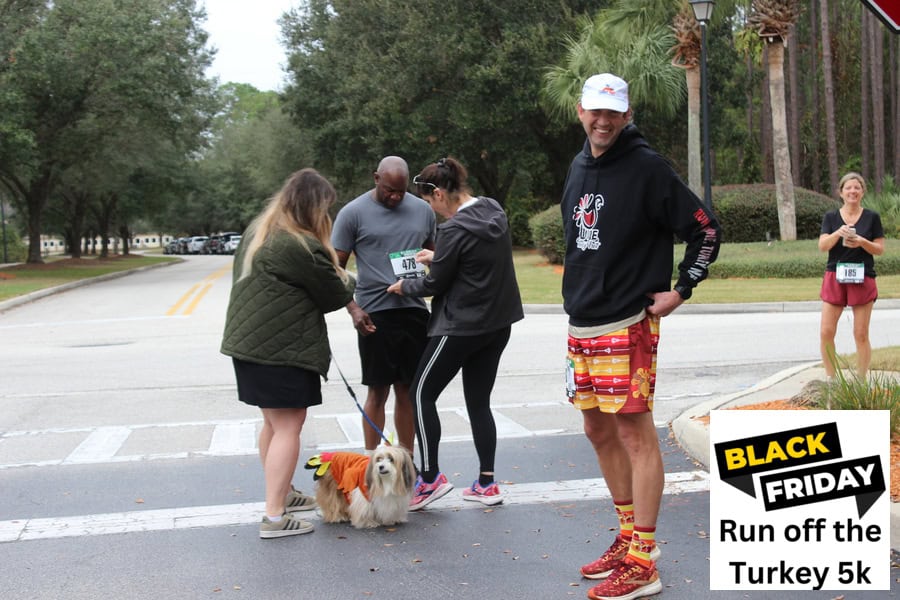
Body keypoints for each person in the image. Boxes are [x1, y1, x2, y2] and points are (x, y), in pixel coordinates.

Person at [560, 74, 721, 600]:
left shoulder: (647, 167)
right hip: (582, 322)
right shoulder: (579, 164)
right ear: (581, 111)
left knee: (633, 435)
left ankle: (644, 559)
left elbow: (705, 229)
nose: (603, 121)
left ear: (626, 116)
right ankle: (628, 536)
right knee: (597, 432)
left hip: (627, 323)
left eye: (613, 113)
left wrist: (682, 289)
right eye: (595, 111)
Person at [221, 168, 355, 539]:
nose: (327, 216)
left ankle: (283, 495)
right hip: (281, 349)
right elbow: (333, 291)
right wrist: (357, 281)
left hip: (249, 345)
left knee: (273, 423)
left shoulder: (259, 231)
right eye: (325, 208)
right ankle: (275, 516)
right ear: (313, 208)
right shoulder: (298, 244)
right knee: (288, 426)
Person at [386, 157, 524, 510]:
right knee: (479, 402)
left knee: (420, 394)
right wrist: (439, 255)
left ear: (439, 193)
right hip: (498, 325)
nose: (433, 210)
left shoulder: (453, 230)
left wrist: (405, 286)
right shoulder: (493, 211)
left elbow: (435, 284)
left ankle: (430, 478)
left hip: (460, 326)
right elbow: (475, 262)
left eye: (431, 202)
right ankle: (487, 483)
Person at [332, 156, 436, 454]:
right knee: (378, 390)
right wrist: (353, 309)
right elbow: (335, 269)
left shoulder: (422, 211)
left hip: (414, 310)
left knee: (408, 390)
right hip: (374, 313)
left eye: (401, 192)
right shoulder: (353, 213)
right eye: (390, 190)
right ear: (376, 178)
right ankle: (370, 463)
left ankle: (406, 462)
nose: (395, 197)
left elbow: (437, 256)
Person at [818, 172, 885, 379]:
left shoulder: (872, 217)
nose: (852, 191)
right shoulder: (831, 217)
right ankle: (831, 378)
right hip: (835, 276)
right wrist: (838, 233)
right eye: (848, 188)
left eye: (857, 188)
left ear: (862, 192)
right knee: (826, 332)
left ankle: (861, 380)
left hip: (862, 276)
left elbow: (879, 249)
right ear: (841, 192)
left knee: (861, 333)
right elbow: (822, 246)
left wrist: (861, 241)